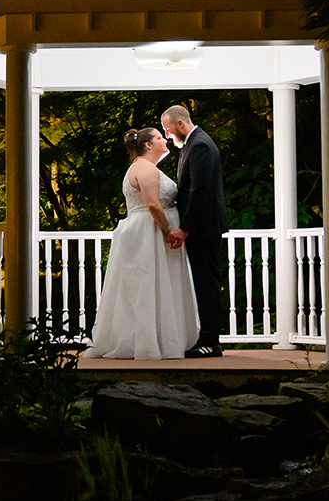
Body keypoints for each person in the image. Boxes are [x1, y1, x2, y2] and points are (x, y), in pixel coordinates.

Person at [83, 127, 199, 360]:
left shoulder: (145, 167)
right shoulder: (145, 169)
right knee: (147, 286)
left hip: (147, 230)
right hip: (149, 232)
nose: (164, 140)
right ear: (148, 145)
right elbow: (153, 205)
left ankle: (156, 337)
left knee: (153, 286)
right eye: (158, 138)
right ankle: (146, 343)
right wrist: (168, 232)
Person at [162, 105, 228, 358]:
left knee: (207, 283)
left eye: (168, 130)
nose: (168, 135)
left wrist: (184, 228)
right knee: (203, 282)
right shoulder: (193, 144)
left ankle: (210, 342)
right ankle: (207, 338)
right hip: (201, 226)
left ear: (180, 124)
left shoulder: (200, 145)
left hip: (204, 227)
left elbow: (200, 191)